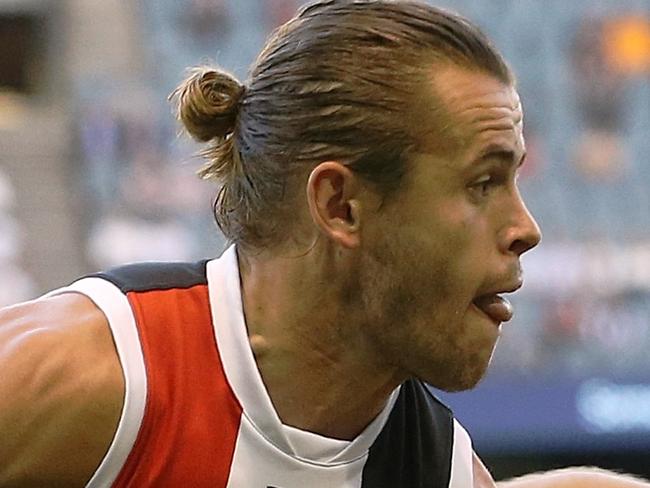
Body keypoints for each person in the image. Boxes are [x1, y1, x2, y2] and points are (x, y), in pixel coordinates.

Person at [0, 1, 648, 487]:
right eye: (484, 182)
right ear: (340, 206)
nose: (526, 228)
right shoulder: (92, 380)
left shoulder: (435, 467)